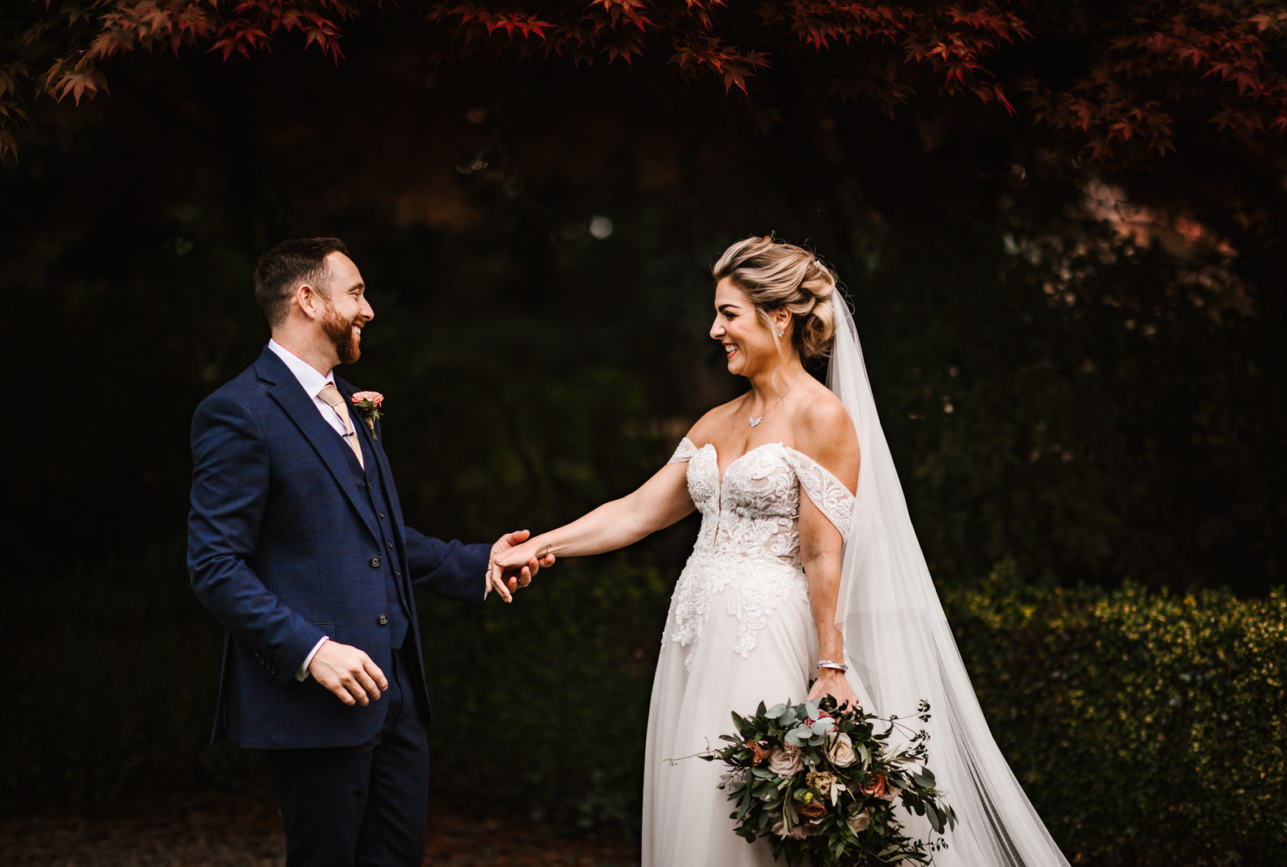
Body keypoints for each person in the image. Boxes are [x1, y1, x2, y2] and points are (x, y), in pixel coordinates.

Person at [492, 236, 1071, 866]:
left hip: (764, 639)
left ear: (780, 317)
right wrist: (539, 545)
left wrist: (831, 666)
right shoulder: (715, 421)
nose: (715, 330)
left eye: (728, 314)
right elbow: (636, 512)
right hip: (693, 639)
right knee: (696, 806)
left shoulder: (822, 417)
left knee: (751, 818)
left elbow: (823, 554)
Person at [187, 238, 550, 867]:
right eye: (355, 293)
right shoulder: (238, 411)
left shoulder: (353, 402)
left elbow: (377, 535)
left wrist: (480, 562)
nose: (369, 309)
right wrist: (311, 651)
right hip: (317, 699)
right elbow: (214, 566)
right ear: (307, 299)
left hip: (396, 691)